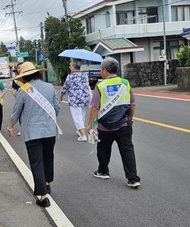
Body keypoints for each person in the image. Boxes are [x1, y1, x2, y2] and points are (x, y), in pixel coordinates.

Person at [7, 61, 60, 207]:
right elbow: (57, 108)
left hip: (32, 133)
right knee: (48, 158)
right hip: (50, 131)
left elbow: (16, 112)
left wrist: (10, 127)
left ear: (24, 77)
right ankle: (47, 183)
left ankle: (43, 197)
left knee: (36, 163)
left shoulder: (23, 90)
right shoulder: (50, 87)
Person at [86, 57, 141, 188]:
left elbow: (95, 107)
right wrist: (130, 119)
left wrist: (89, 124)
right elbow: (132, 103)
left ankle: (103, 171)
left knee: (103, 148)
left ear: (105, 70)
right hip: (123, 125)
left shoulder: (100, 86)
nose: (101, 72)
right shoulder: (125, 83)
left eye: (101, 69)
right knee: (127, 150)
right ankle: (133, 179)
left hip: (105, 126)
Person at [59, 59, 91, 142]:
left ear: (73, 67)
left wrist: (61, 96)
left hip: (74, 99)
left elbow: (65, 88)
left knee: (77, 117)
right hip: (85, 98)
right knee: (82, 115)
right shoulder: (85, 75)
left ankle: (83, 135)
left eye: (70, 66)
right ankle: (79, 131)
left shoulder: (70, 76)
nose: (69, 67)